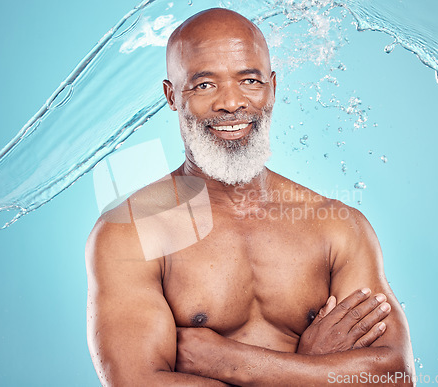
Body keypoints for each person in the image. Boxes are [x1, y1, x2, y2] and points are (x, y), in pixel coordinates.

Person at [85, 8, 414, 386]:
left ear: (273, 87)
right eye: (204, 85)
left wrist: (228, 361)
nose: (231, 103)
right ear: (171, 95)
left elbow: (395, 377)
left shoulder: (337, 227)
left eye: (250, 81)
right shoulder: (133, 232)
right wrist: (312, 369)